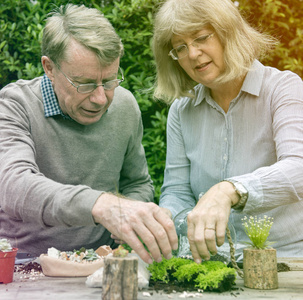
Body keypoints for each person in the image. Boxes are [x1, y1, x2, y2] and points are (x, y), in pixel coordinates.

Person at [0, 4, 177, 265]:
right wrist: (102, 206)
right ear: (49, 67)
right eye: (84, 83)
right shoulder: (15, 105)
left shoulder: (125, 105)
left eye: (109, 81)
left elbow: (137, 184)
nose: (100, 98)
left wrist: (129, 215)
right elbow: (14, 185)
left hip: (101, 261)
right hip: (24, 263)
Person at [152, 0, 303, 264]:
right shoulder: (180, 110)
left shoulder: (284, 88)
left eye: (200, 38)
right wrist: (166, 221)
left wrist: (230, 190)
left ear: (228, 33)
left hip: (287, 262)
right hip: (212, 263)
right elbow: (176, 192)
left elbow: (299, 167)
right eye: (180, 47)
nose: (193, 54)